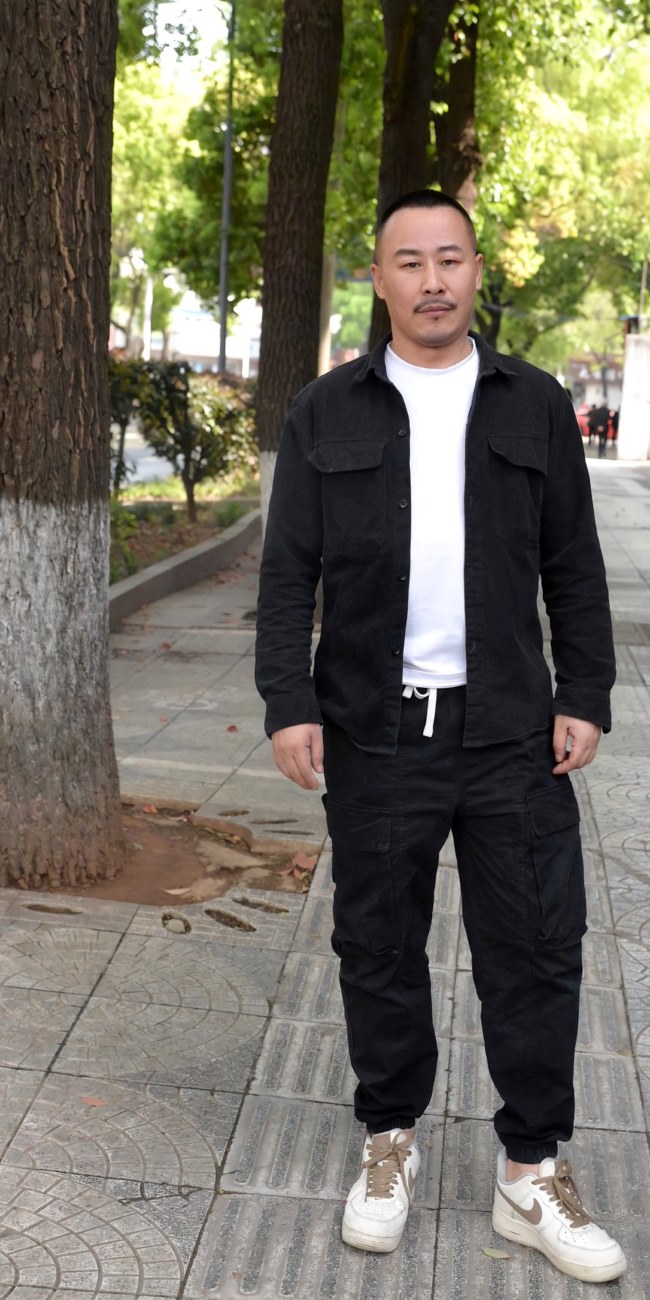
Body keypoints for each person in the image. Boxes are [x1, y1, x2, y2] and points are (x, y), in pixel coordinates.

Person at [255, 189, 624, 1284]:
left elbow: (573, 565)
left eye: (449, 258)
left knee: (536, 948)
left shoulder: (535, 404)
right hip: (374, 732)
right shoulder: (325, 411)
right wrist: (288, 700)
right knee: (377, 947)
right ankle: (389, 1141)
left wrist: (585, 691)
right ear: (378, 280)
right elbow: (287, 574)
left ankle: (530, 1170)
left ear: (475, 272)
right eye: (408, 261)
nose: (431, 280)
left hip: (511, 733)